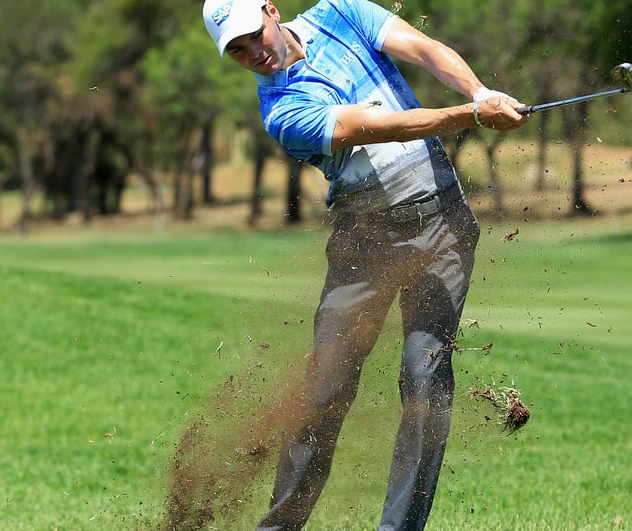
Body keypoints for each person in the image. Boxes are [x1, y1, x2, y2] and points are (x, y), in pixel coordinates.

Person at [202, 0, 527, 529]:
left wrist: (478, 92)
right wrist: (469, 117)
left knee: (424, 379)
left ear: (270, 10)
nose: (254, 52)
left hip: (442, 221)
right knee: (326, 389)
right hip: (364, 240)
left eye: (253, 34)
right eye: (236, 51)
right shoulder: (282, 112)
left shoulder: (340, 12)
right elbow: (384, 127)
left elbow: (424, 50)